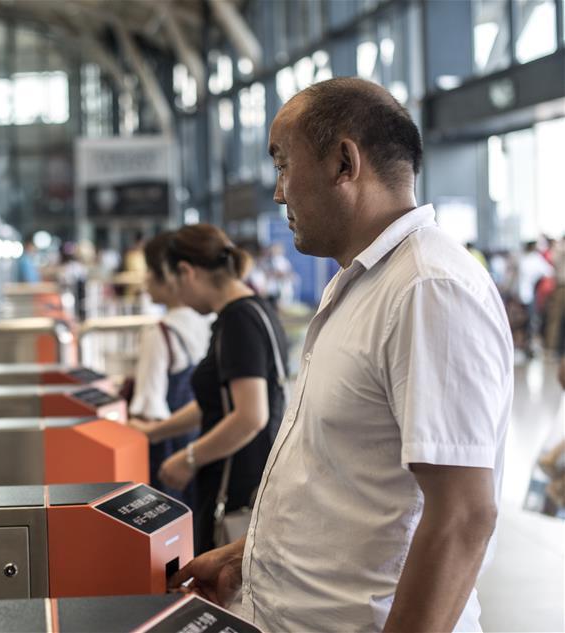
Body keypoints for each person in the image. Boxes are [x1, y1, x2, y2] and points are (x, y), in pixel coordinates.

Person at [171, 77, 513, 632]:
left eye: (283, 164)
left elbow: (463, 515)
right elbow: (344, 475)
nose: (279, 192)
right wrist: (248, 558)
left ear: (343, 163)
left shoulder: (428, 289)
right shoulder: (359, 283)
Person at [130, 224, 289, 555]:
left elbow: (250, 416)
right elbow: (217, 400)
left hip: (235, 489)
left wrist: (189, 458)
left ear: (186, 272)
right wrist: (157, 431)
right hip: (245, 481)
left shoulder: (238, 320)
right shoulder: (251, 310)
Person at [128, 232, 211, 503]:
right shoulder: (212, 320)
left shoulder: (160, 332)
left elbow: (148, 407)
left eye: (149, 270)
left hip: (169, 456)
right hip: (205, 448)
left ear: (169, 274)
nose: (145, 280)